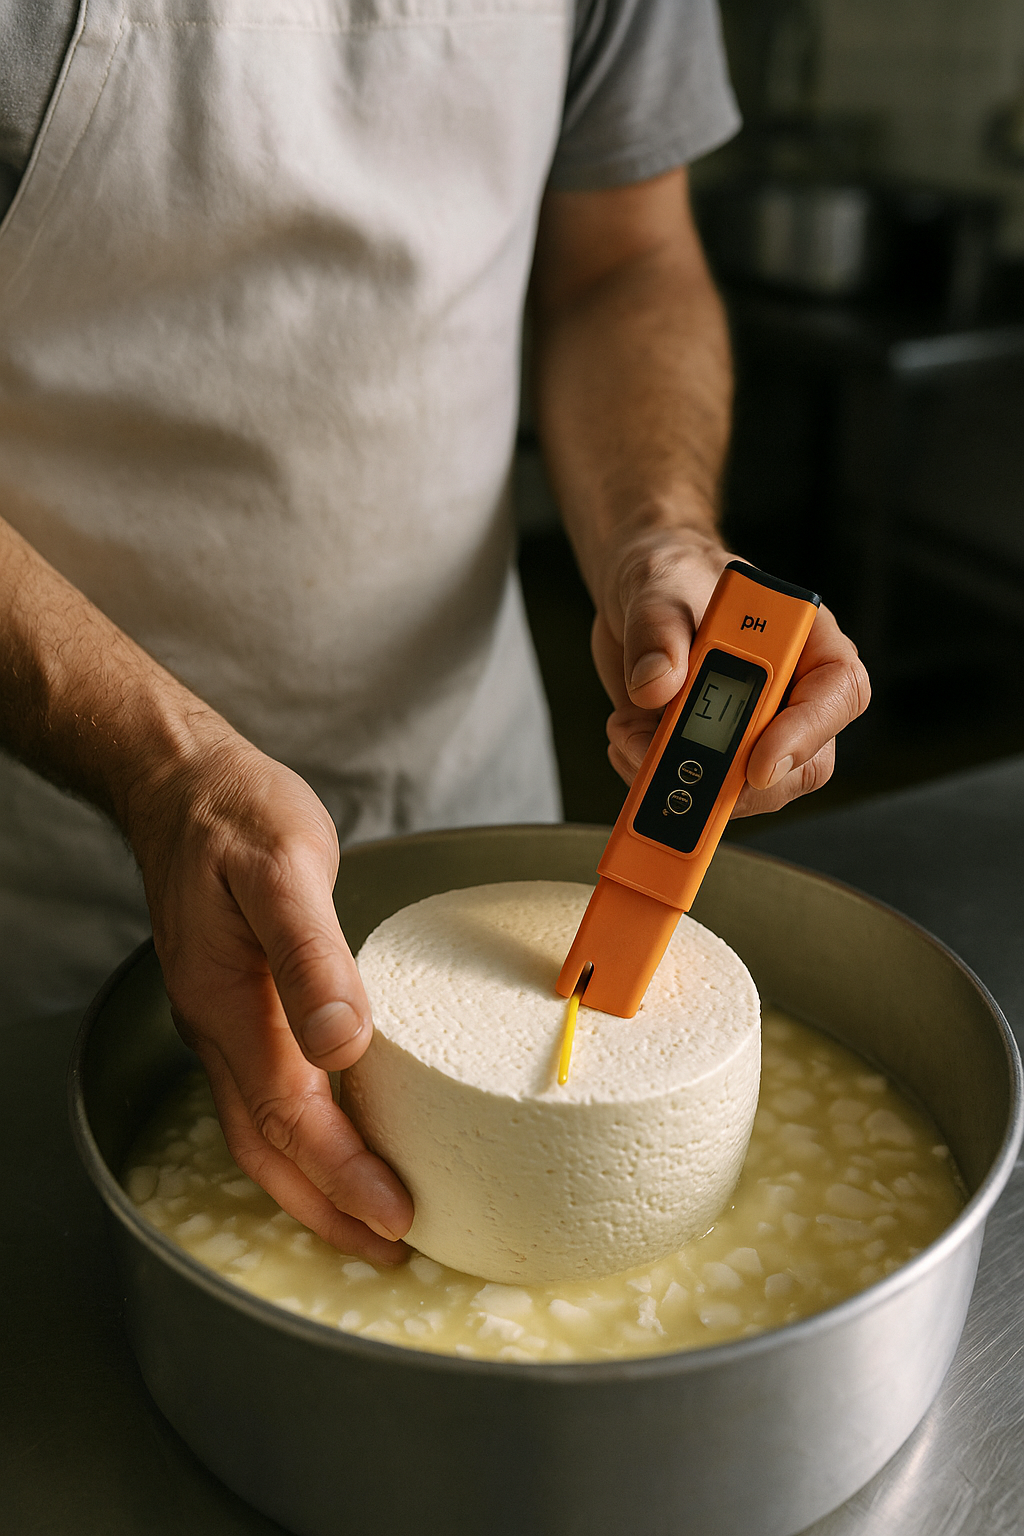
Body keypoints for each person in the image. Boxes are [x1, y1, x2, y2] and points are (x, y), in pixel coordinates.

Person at [0, 0, 868, 1263]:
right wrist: (158, 770)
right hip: (56, 846)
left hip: (461, 765)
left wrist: (657, 532)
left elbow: (624, 257)